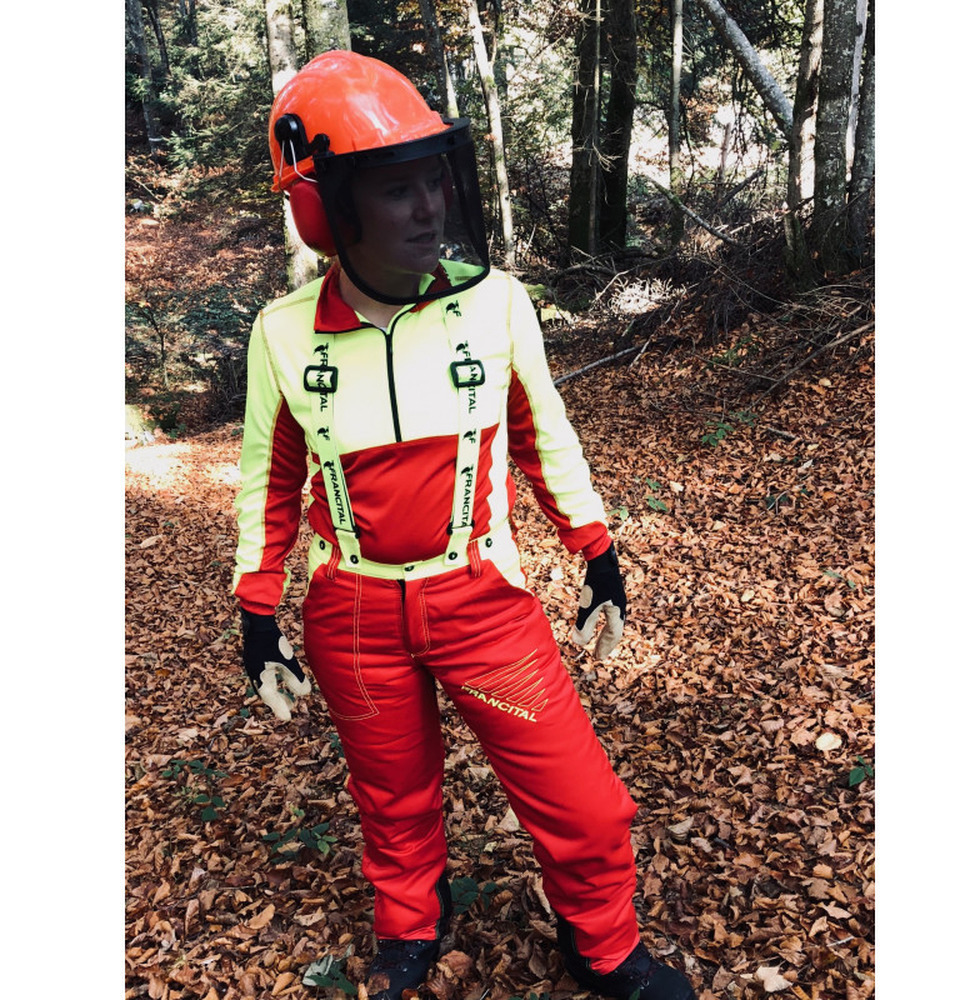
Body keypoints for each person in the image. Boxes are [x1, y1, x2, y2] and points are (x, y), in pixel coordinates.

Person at [232, 49, 694, 1000]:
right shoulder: (282, 333)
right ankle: (411, 921)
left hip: (481, 600)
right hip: (353, 615)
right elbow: (269, 482)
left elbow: (543, 435)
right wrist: (257, 612)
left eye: (435, 181)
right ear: (326, 208)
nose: (429, 208)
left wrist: (598, 553)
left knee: (583, 803)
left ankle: (604, 944)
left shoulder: (496, 305)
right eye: (397, 188)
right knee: (392, 797)